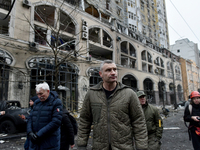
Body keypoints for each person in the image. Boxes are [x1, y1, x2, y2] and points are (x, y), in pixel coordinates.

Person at [77, 60, 148, 150]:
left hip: (123, 147)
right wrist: (81, 145)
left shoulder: (129, 93)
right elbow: (84, 120)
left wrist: (142, 147)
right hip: (100, 147)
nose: (113, 72)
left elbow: (139, 122)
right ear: (101, 74)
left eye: (115, 69)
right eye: (108, 70)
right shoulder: (92, 94)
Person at [26, 82, 63, 150]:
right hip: (35, 143)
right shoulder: (37, 103)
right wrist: (30, 132)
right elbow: (30, 118)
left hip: (49, 143)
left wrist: (39, 135)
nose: (39, 96)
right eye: (37, 94)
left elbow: (56, 122)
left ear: (48, 91)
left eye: (41, 94)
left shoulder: (56, 102)